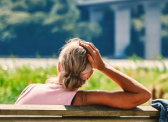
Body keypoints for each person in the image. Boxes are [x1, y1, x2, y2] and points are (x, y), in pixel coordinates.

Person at [15, 38, 151, 109]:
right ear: (89, 75)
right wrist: (104, 67)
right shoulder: (82, 100)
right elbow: (143, 95)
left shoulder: (29, 90)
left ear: (59, 67)